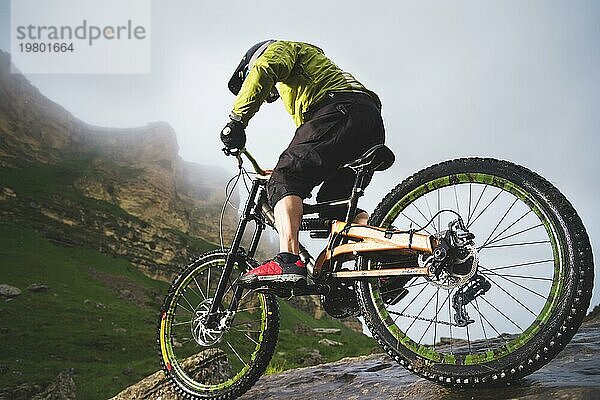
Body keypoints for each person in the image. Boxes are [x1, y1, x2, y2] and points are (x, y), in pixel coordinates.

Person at [220, 40, 385, 286]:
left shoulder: (281, 48)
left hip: (339, 109)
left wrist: (236, 121)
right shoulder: (315, 75)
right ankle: (384, 261)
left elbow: (266, 67)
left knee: (286, 179)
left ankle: (288, 259)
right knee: (336, 204)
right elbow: (317, 146)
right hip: (366, 120)